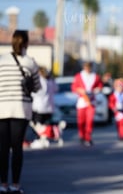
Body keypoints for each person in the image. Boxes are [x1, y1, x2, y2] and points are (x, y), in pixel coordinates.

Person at [0, 30, 41, 194]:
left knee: (2, 148)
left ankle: (2, 184)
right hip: (20, 110)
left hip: (1, 109)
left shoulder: (1, 60)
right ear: (26, 43)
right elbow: (37, 87)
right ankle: (15, 185)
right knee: (17, 148)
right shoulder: (30, 62)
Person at [71, 61, 103, 146]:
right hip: (82, 101)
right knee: (81, 121)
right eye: (86, 67)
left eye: (89, 67)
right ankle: (81, 136)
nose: (87, 69)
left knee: (89, 121)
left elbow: (100, 86)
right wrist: (80, 90)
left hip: (91, 101)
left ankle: (88, 138)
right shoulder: (78, 76)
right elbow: (74, 87)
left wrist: (97, 90)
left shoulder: (95, 76)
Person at [30, 66, 59, 149]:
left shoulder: (40, 81)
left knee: (38, 126)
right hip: (48, 107)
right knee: (45, 125)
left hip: (40, 107)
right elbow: (56, 89)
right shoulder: (50, 81)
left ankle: (40, 139)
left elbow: (38, 93)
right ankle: (44, 139)